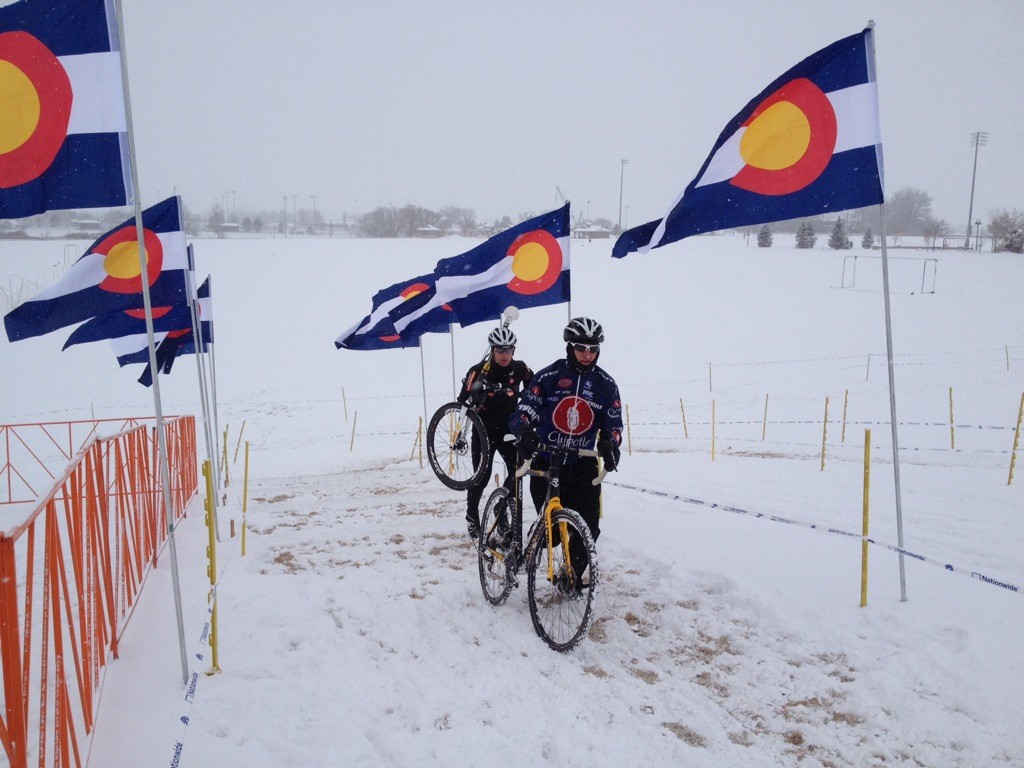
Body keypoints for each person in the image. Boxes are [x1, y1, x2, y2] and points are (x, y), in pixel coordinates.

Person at [510, 317, 622, 575]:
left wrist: (610, 443)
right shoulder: (549, 376)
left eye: (593, 349)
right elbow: (522, 412)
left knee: (589, 529)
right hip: (547, 461)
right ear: (569, 348)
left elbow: (613, 426)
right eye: (581, 348)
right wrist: (524, 430)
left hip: (583, 462)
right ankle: (536, 538)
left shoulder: (606, 385)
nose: (587, 354)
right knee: (553, 535)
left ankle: (570, 578)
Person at [459, 325, 533, 539]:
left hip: (509, 429)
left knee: (519, 471)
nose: (504, 355)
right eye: (500, 350)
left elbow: (535, 387)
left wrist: (526, 399)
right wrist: (476, 394)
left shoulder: (519, 368)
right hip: (484, 431)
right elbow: (462, 401)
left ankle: (502, 510)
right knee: (481, 477)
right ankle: (472, 516)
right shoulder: (479, 370)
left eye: (508, 350)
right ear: (492, 350)